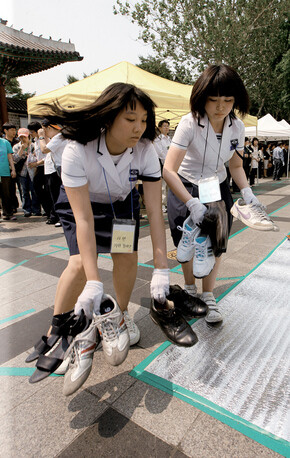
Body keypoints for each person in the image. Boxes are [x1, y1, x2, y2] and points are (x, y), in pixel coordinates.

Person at [27, 83, 198, 392]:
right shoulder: (77, 149)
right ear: (108, 117)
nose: (139, 127)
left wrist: (162, 267)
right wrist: (94, 281)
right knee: (80, 263)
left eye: (144, 119)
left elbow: (155, 213)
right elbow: (84, 220)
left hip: (121, 206)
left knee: (126, 256)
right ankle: (59, 326)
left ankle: (116, 316)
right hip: (83, 203)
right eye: (130, 119)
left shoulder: (145, 151)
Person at [163, 63, 271, 326]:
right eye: (213, 100)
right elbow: (168, 169)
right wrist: (190, 203)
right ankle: (189, 289)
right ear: (202, 98)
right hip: (185, 185)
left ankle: (208, 295)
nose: (221, 106)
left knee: (217, 240)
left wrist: (247, 192)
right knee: (186, 239)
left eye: (228, 100)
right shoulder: (189, 123)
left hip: (217, 186)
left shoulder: (237, 127)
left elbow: (235, 165)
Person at [38, 120, 65, 226]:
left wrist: (40, 137)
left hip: (59, 169)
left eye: (44, 130)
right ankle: (57, 217)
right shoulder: (57, 137)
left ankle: (61, 218)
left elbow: (44, 149)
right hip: (56, 169)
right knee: (55, 194)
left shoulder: (59, 136)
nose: (43, 132)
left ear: (49, 128)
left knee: (57, 195)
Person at [12, 128, 41, 217]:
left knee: (34, 191)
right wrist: (21, 150)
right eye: (21, 137)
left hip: (33, 171)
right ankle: (26, 210)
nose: (23, 139)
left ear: (28, 136)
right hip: (22, 172)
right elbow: (15, 159)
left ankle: (36, 209)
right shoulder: (17, 147)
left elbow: (39, 157)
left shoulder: (33, 146)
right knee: (24, 192)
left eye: (24, 137)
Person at [28, 121, 53, 218]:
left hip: (47, 167)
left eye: (32, 132)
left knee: (48, 190)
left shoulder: (46, 140)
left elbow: (48, 155)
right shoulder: (34, 142)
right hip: (39, 168)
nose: (31, 134)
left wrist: (37, 163)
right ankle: (47, 210)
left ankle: (51, 212)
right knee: (36, 187)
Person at [153, 120, 171, 212]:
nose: (166, 128)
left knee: (169, 186)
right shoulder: (157, 140)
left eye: (167, 126)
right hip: (162, 165)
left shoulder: (169, 139)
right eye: (164, 126)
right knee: (162, 187)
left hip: (170, 166)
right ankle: (162, 205)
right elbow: (159, 153)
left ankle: (168, 204)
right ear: (160, 128)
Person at [2, 122, 20, 212]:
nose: (14, 132)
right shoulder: (4, 141)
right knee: (8, 190)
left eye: (14, 130)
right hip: (6, 170)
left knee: (13, 190)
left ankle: (13, 207)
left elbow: (10, 157)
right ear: (5, 131)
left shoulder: (17, 142)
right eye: (12, 130)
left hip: (18, 169)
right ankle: (10, 208)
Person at [0, 137, 16, 220]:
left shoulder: (5, 142)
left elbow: (10, 157)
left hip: (4, 172)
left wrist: (13, 170)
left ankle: (8, 213)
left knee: (6, 193)